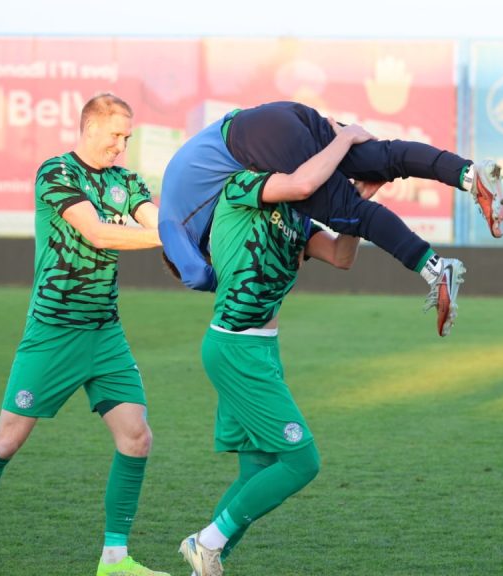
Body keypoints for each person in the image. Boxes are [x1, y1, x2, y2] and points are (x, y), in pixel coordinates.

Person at [0, 93, 169, 576]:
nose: (122, 145)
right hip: (53, 331)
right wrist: (173, 237)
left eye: (128, 137)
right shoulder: (56, 172)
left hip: (105, 332)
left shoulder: (127, 181)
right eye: (116, 135)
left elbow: (153, 219)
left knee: (137, 437)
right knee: (7, 440)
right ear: (89, 127)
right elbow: (98, 233)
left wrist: (181, 234)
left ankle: (114, 560)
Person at [176, 119, 375, 576]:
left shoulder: (300, 219)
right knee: (302, 462)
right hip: (236, 348)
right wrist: (346, 137)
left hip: (262, 350)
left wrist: (359, 205)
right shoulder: (245, 184)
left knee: (257, 470)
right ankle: (206, 543)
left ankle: (206, 560)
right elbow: (303, 181)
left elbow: (342, 257)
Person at [158, 101, 503, 337]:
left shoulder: (173, 227)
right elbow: (341, 257)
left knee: (349, 213)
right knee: (381, 159)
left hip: (252, 140)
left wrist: (223, 279)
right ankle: (470, 175)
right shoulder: (236, 206)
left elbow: (195, 275)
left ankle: (435, 269)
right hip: (276, 119)